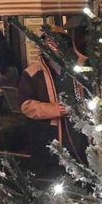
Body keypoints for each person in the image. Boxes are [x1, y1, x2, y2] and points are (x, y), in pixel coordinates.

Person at [18, 27, 88, 175]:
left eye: (57, 43)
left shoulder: (78, 70)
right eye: (48, 43)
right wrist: (57, 109)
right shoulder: (32, 73)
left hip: (79, 135)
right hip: (48, 135)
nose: (53, 48)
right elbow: (26, 105)